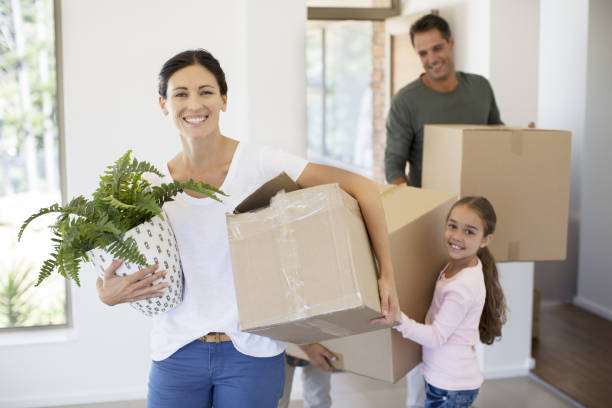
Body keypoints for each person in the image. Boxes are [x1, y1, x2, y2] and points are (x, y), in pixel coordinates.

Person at [95, 49, 399, 408]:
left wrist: (386, 274)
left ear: (224, 99)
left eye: (206, 91)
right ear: (164, 104)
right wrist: (107, 295)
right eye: (181, 94)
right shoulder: (149, 186)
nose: (194, 103)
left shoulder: (260, 163)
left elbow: (363, 188)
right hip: (175, 353)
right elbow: (114, 265)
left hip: (251, 352)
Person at [375, 196, 507, 408]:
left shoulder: (462, 287)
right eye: (452, 226)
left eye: (469, 231)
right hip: (446, 379)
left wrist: (397, 318)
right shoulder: (457, 265)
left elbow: (436, 337)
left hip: (450, 386)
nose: (456, 236)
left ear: (485, 240)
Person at [384, 14, 503, 187]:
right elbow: (393, 167)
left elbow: (498, 138)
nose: (431, 59)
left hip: (479, 203)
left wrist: (527, 139)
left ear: (451, 43)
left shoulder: (481, 87)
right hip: (429, 206)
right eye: (423, 53)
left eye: (437, 48)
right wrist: (409, 205)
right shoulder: (404, 102)